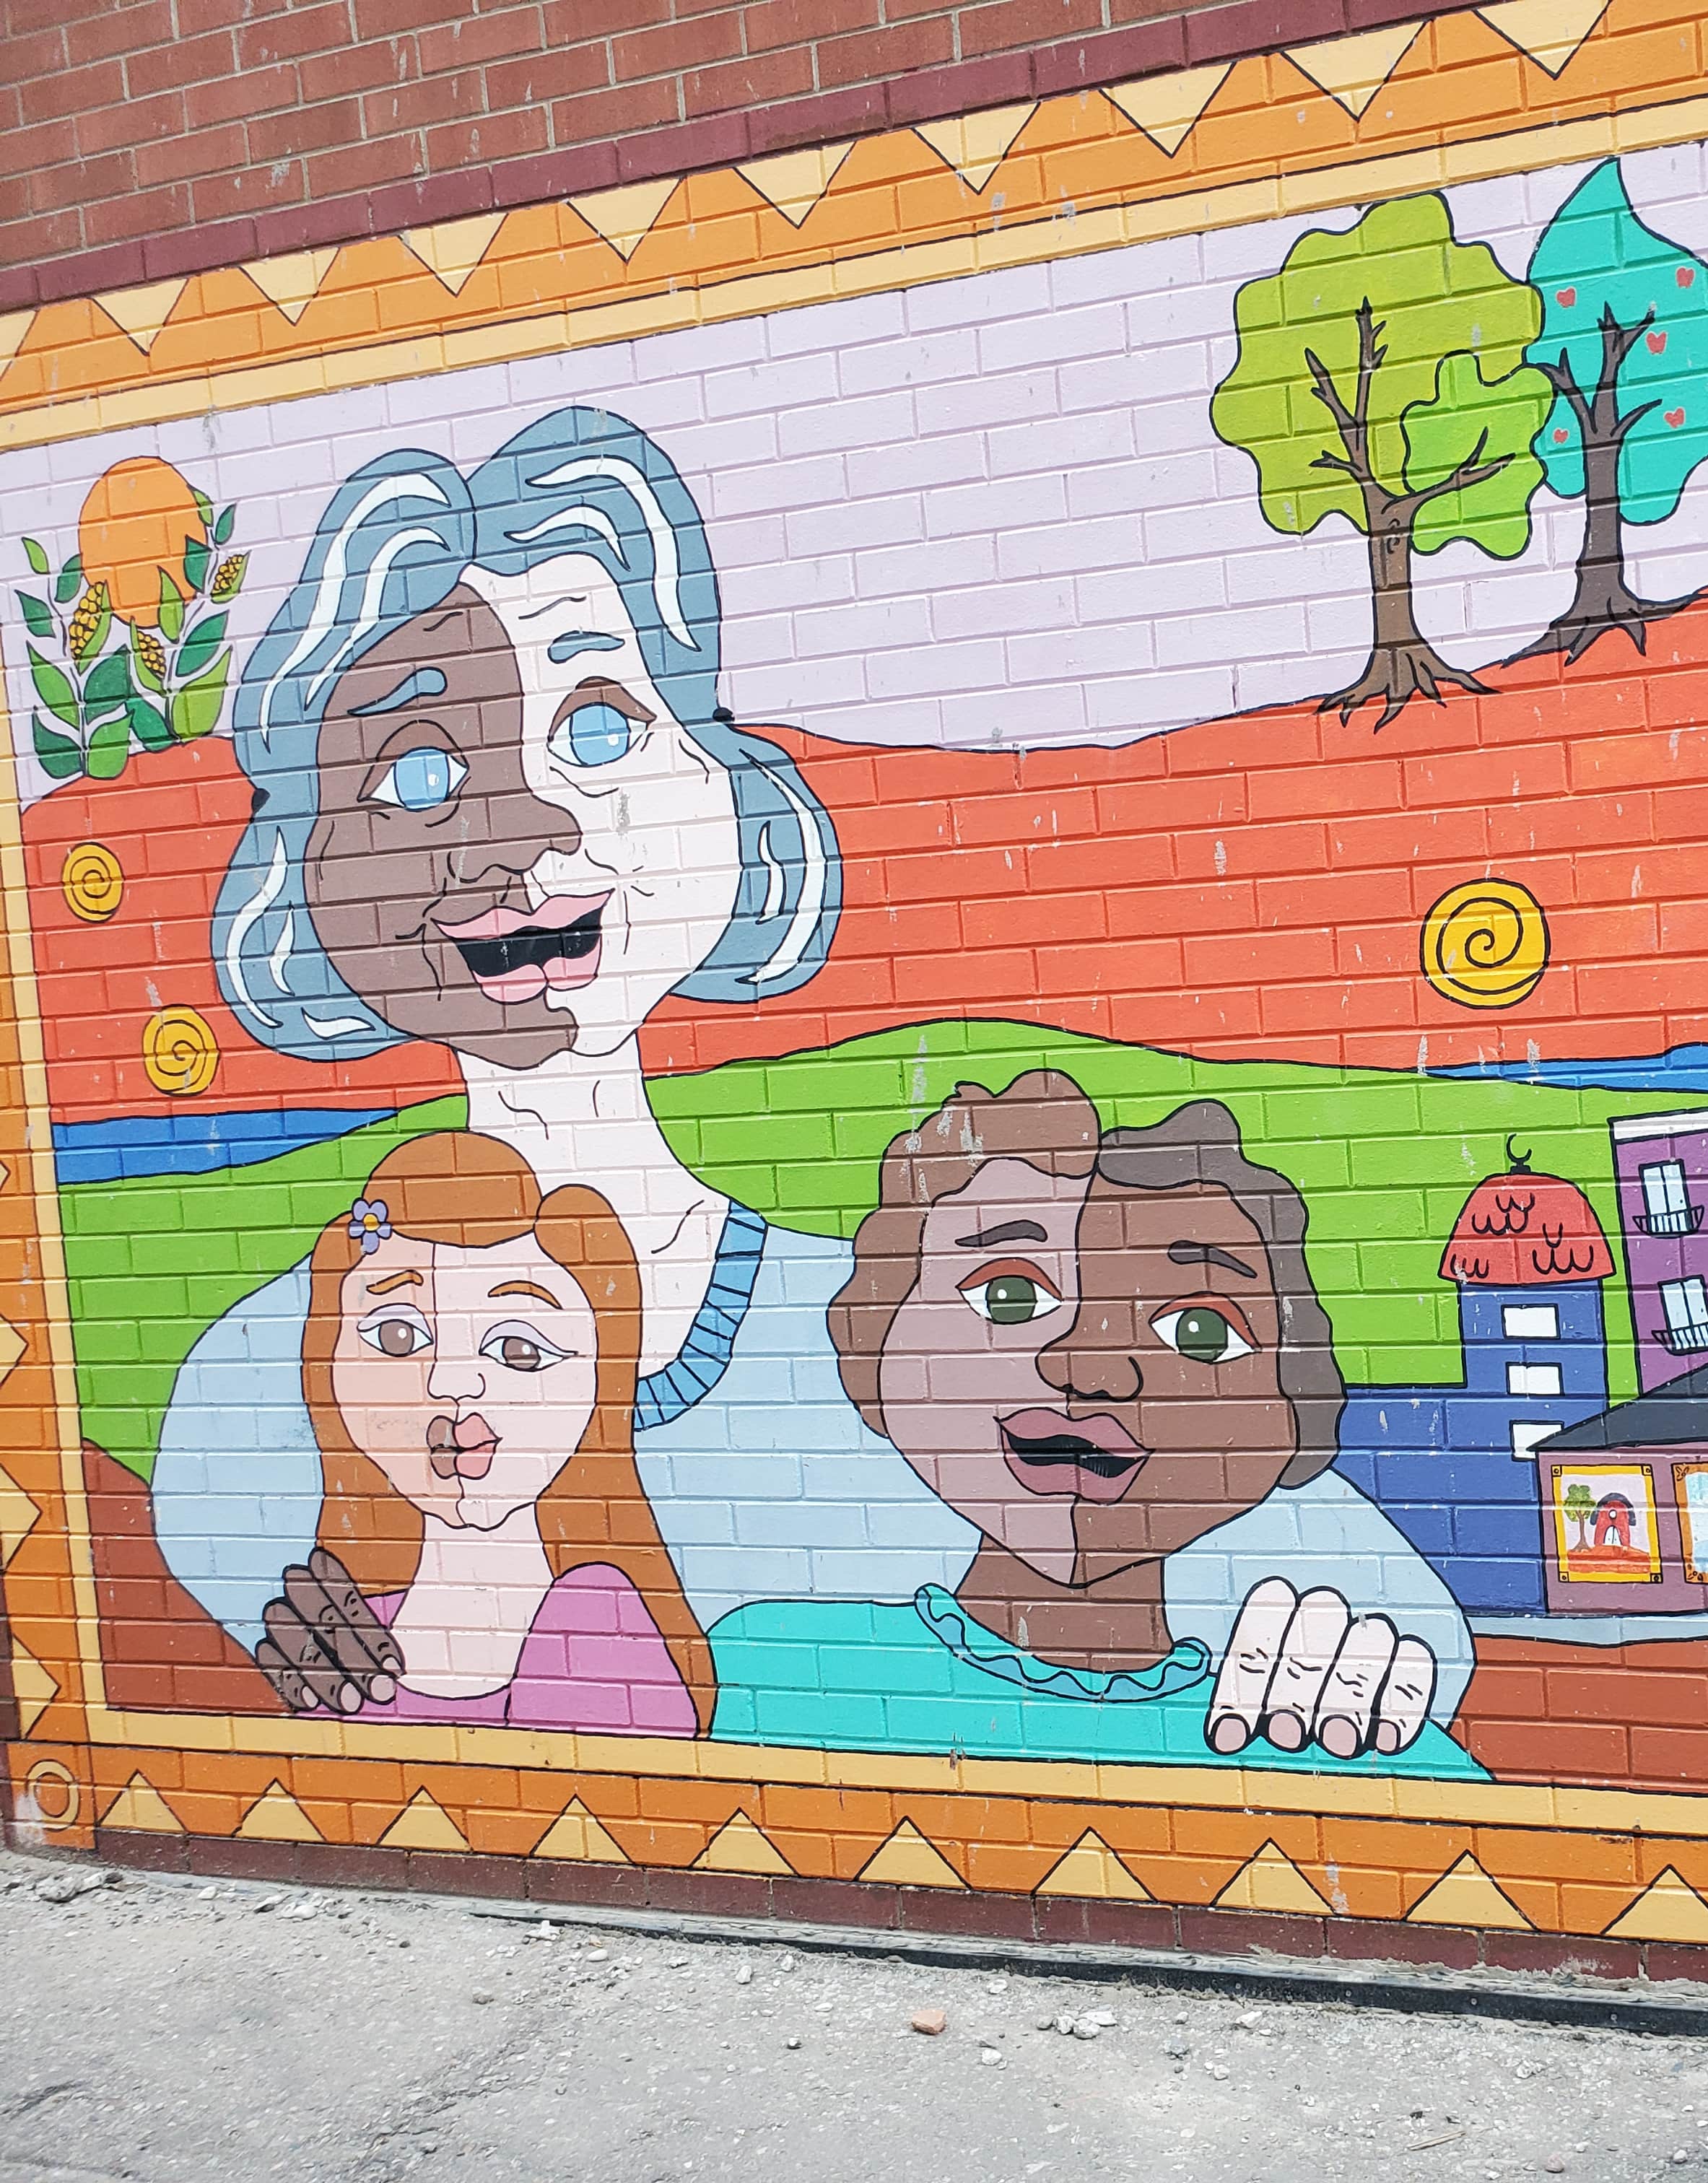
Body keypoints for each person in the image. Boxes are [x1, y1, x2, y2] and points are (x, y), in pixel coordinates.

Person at [147, 405, 1472, 1722]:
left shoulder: (900, 1326)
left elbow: (1325, 1559)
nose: (523, 824)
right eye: (417, 768)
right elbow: (226, 1562)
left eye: (601, 729)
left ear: (726, 791)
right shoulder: (272, 1358)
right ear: (306, 871)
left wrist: (1358, 1638)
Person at [706, 1074, 1482, 1775]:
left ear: (1291, 1410)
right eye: (1009, 1297)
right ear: (874, 1343)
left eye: (1200, 1333)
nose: (1091, 1368)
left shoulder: (1311, 1732)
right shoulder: (759, 1674)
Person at [257, 1133, 707, 1735]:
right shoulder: (350, 1631)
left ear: (599, 1379)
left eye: (520, 1348)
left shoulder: (592, 1624)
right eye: (396, 1338)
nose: (450, 1382)